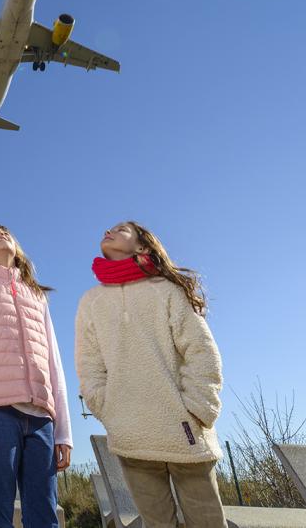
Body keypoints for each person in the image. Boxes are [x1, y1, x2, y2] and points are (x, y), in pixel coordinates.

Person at [76, 221, 225, 528]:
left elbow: (201, 351)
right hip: (131, 435)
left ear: (142, 246)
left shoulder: (166, 291)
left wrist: (198, 408)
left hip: (185, 431)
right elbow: (89, 364)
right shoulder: (91, 301)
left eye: (122, 229)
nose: (109, 230)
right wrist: (108, 410)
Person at [0, 224, 72, 527]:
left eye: (5, 232)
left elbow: (54, 362)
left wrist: (63, 431)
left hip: (42, 420)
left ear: (17, 248)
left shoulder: (37, 296)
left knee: (45, 513)